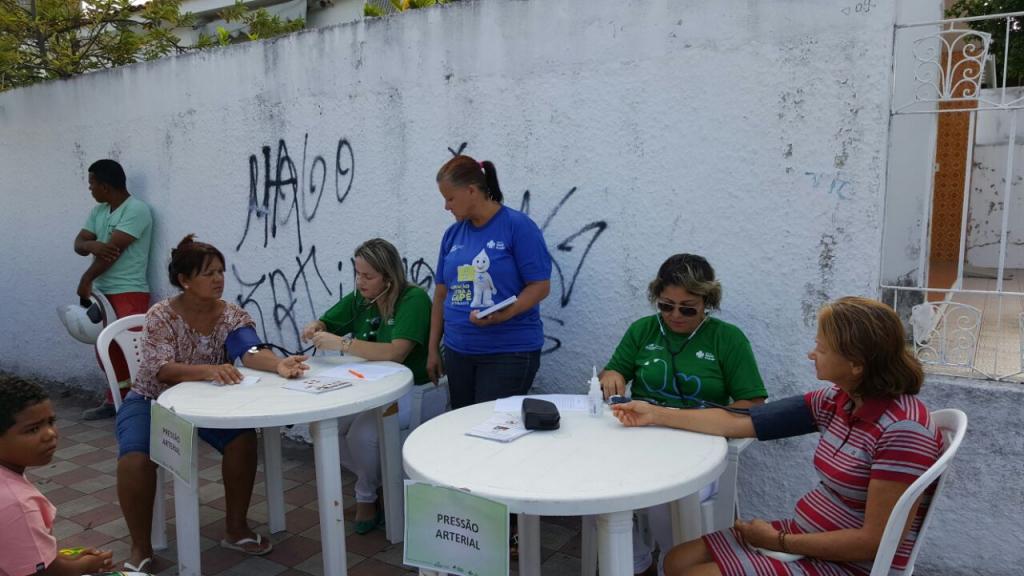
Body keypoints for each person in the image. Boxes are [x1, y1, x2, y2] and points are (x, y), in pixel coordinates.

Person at [612, 296, 943, 576]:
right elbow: (740, 422)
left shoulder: (903, 431)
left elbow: (875, 541)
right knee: (676, 561)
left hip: (849, 563)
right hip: (808, 535)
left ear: (856, 364)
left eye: (821, 348)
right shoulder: (837, 400)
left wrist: (778, 541)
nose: (811, 354)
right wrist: (654, 414)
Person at [116, 235, 309, 572]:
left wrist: (278, 364)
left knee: (243, 440)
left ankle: (236, 529)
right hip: (152, 401)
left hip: (208, 403)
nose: (219, 279)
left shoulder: (230, 314)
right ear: (185, 280)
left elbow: (249, 350)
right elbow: (162, 370)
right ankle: (141, 548)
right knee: (134, 459)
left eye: (221, 271)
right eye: (208, 273)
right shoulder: (161, 315)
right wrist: (209, 370)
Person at [597, 253, 768, 575]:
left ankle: (671, 565)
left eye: (688, 308)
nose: (675, 315)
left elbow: (753, 404)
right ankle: (632, 562)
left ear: (707, 302)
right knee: (598, 480)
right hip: (640, 434)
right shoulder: (644, 330)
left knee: (665, 492)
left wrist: (696, 420)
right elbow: (613, 370)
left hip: (699, 442)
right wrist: (611, 376)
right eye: (666, 306)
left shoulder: (727, 338)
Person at [301, 238, 444, 535]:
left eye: (368, 276)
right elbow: (327, 322)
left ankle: (366, 495)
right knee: (322, 427)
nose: (360, 282)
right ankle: (379, 483)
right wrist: (316, 327)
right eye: (358, 274)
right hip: (367, 387)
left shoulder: (413, 299)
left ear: (389, 278)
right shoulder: (362, 298)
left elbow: (396, 352)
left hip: (408, 390)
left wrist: (342, 344)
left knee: (362, 436)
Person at [427, 155, 553, 409]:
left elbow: (540, 286)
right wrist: (433, 350)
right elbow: (441, 294)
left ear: (471, 191)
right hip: (458, 351)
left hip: (507, 352)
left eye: (450, 198)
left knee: (491, 425)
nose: (446, 207)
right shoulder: (452, 234)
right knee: (462, 424)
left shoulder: (517, 226)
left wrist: (508, 312)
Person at [1, 376, 115, 576]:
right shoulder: (16, 503)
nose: (50, 434)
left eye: (51, 422)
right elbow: (44, 573)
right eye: (33, 429)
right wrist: (87, 565)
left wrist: (68, 559)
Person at [73, 159, 153, 420]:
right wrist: (92, 246)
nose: (90, 189)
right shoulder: (99, 211)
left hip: (128, 290)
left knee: (132, 351)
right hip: (103, 291)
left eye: (92, 184)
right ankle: (114, 400)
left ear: (105, 186)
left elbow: (112, 252)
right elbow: (79, 243)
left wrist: (86, 278)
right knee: (106, 350)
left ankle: (138, 405)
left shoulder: (136, 210)